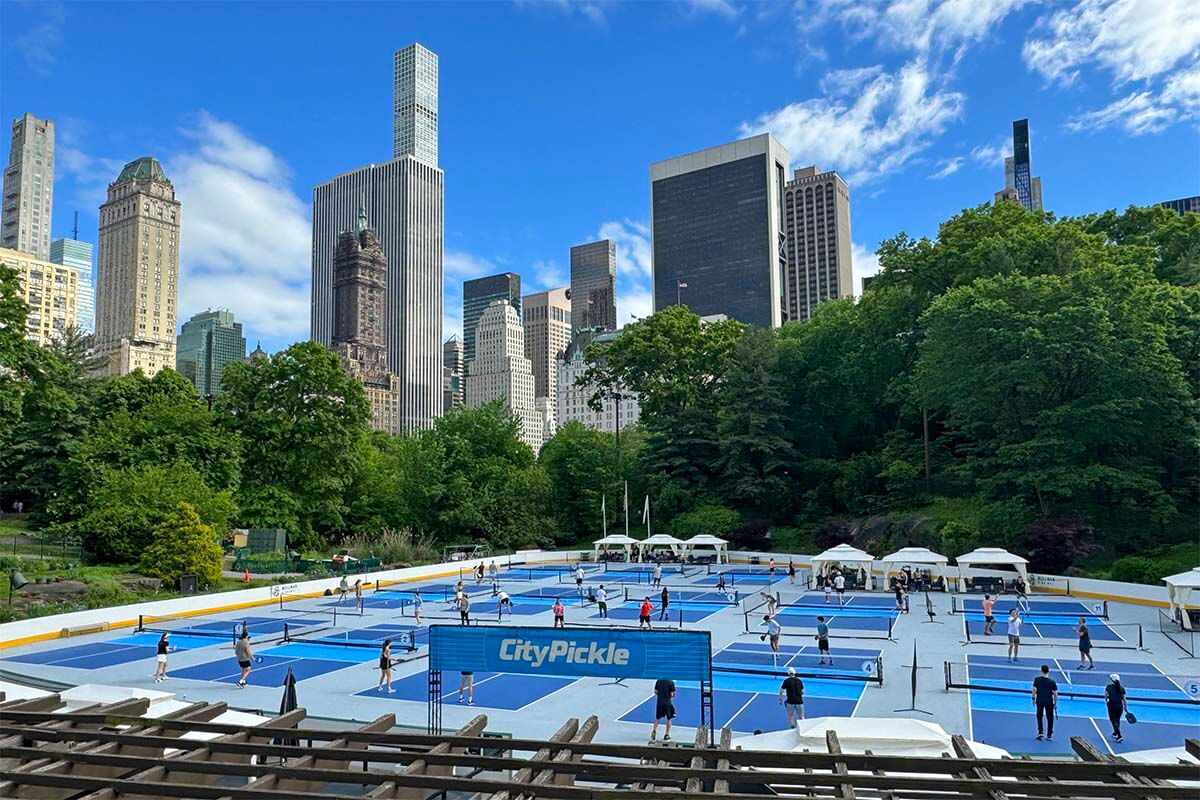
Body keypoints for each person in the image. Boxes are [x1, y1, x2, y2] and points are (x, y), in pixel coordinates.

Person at [1032, 663, 1057, 741]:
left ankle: (1040, 732)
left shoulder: (1037, 680)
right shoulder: (1052, 682)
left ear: (1042, 671)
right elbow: (1055, 694)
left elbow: (1034, 690)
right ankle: (1049, 735)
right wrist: (1055, 703)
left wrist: (1033, 698)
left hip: (1039, 701)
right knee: (1050, 718)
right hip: (1049, 702)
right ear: (1048, 671)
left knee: (1039, 716)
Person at [650, 678, 675, 742]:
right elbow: (672, 694)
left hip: (659, 703)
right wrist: (670, 699)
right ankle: (666, 735)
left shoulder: (658, 681)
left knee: (657, 718)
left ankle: (654, 731)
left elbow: (655, 691)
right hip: (667, 703)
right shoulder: (671, 682)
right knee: (669, 719)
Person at [1104, 674, 1127, 743]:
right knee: (1117, 719)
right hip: (1120, 706)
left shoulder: (1108, 687)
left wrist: (1106, 701)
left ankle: (1119, 736)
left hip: (1112, 705)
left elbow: (1106, 695)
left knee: (1113, 720)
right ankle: (1115, 733)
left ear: (1111, 680)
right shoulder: (1122, 688)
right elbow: (1124, 699)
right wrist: (1125, 707)